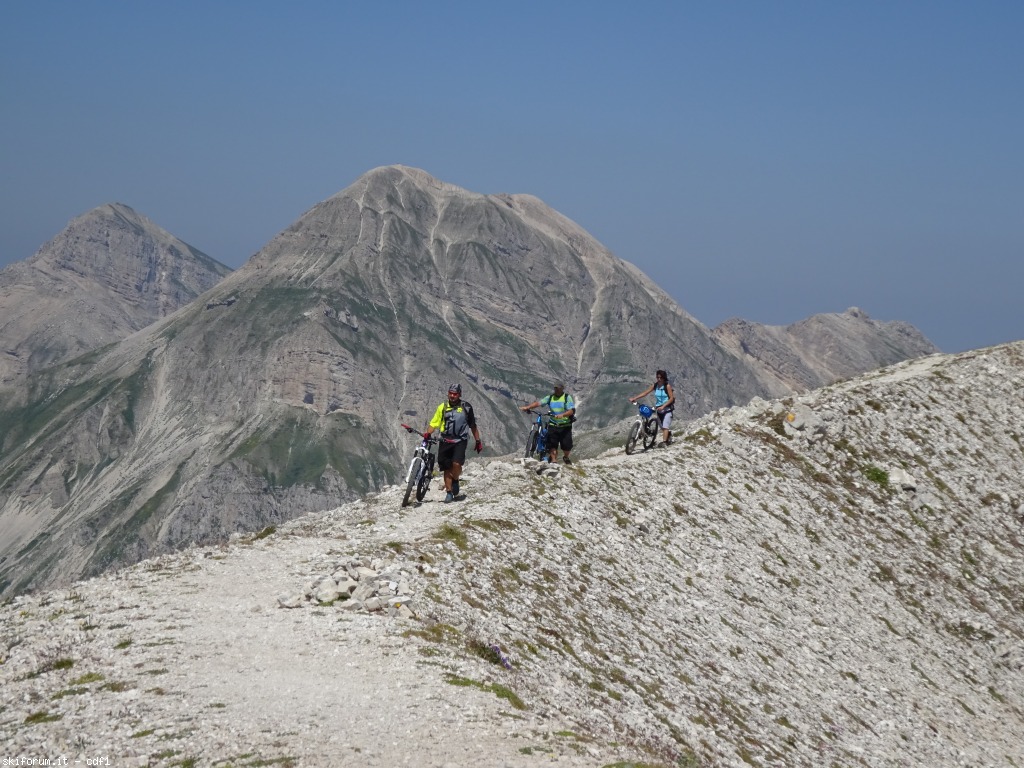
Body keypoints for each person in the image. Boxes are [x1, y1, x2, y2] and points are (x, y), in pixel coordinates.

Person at [423, 383, 482, 503]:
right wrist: (427, 434)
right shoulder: (443, 407)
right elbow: (434, 423)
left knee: (456, 464)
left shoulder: (466, 407)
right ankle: (449, 492)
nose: (452, 396)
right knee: (446, 467)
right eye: (450, 393)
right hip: (445, 440)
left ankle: (455, 479)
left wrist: (478, 440)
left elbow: (472, 425)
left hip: (460, 440)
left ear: (459, 395)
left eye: (455, 394)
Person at [520, 381, 576, 464]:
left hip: (565, 425)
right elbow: (539, 403)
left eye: (558, 388)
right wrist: (528, 407)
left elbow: (572, 411)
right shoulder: (550, 398)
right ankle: (554, 460)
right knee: (552, 443)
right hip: (553, 424)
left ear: (562, 389)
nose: (556, 390)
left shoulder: (567, 397)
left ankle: (566, 457)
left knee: (566, 446)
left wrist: (563, 415)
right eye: (555, 388)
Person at [630, 370, 675, 446]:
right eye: (657, 377)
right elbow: (646, 392)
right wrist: (635, 398)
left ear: (664, 378)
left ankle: (664, 442)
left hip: (667, 409)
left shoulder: (667, 386)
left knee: (665, 426)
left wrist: (663, 406)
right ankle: (668, 435)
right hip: (659, 409)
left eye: (661, 377)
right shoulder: (655, 386)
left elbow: (671, 398)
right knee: (662, 427)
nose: (659, 379)